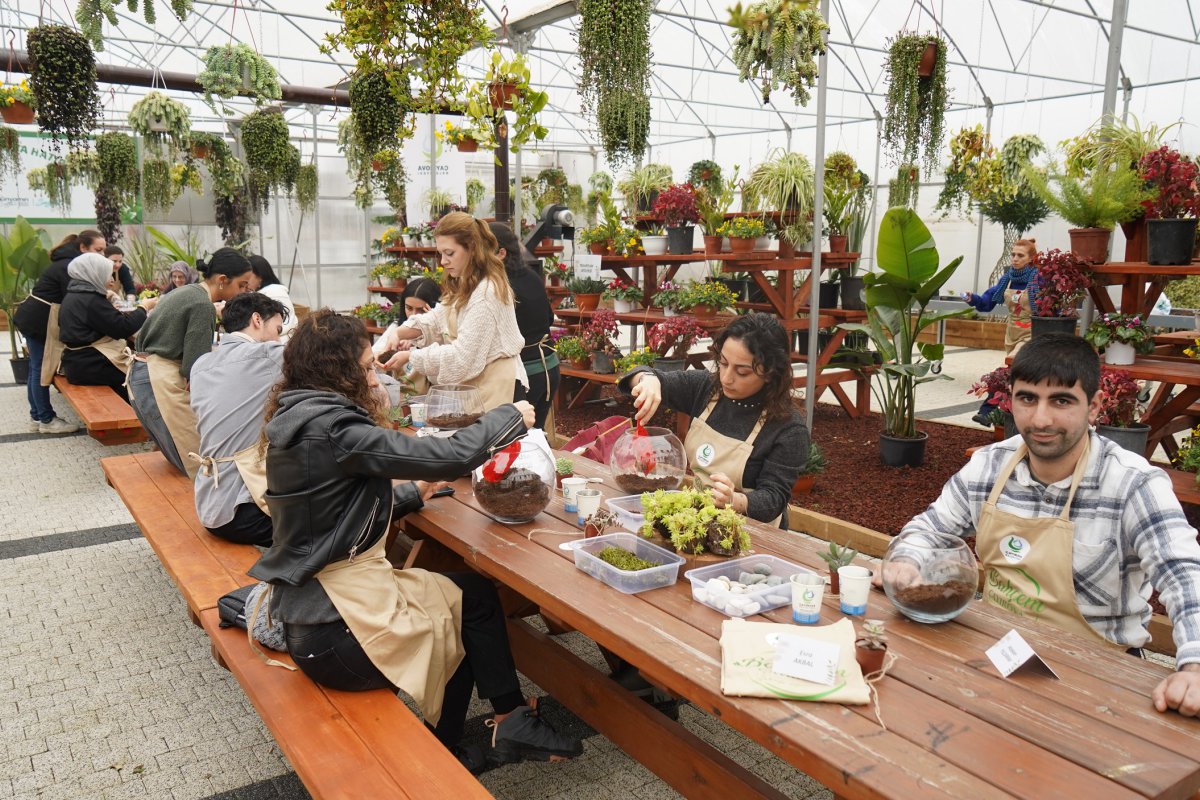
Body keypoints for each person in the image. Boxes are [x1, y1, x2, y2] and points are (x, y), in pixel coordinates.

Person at [248, 310, 582, 769]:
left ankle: (507, 721)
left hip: (319, 612)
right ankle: (447, 754)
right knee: (457, 624)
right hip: (334, 634)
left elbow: (325, 517)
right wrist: (510, 416)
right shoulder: (335, 430)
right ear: (337, 374)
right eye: (365, 367)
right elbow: (449, 455)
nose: (373, 376)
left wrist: (408, 495)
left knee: (474, 597)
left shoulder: (302, 420)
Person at [888, 333, 1200, 717]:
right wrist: (906, 561)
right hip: (998, 651)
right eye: (1028, 398)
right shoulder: (989, 466)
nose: (1040, 419)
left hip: (1100, 678)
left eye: (1062, 401)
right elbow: (929, 530)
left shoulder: (1133, 484)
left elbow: (1185, 575)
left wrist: (1194, 667)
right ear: (1011, 400)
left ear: (1095, 406)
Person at [622, 313, 809, 528]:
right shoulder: (706, 388)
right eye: (723, 363)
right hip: (698, 522)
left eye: (742, 372)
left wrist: (734, 500)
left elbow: (774, 498)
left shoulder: (789, 428)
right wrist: (648, 381)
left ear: (770, 373)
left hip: (753, 533)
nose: (727, 378)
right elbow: (636, 374)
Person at [378, 212, 526, 412]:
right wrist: (400, 332)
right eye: (440, 254)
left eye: (449, 253)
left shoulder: (485, 293)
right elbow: (438, 317)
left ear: (472, 249)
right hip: (477, 386)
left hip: (495, 387)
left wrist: (411, 357)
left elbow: (461, 359)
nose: (443, 262)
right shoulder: (466, 281)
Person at [128, 248, 254, 478]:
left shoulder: (188, 292)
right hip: (157, 380)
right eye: (242, 285)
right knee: (195, 459)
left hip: (143, 372)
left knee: (178, 453)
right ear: (222, 280)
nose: (244, 291)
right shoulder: (202, 305)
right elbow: (195, 366)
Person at [189, 293, 288, 547]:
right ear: (257, 319)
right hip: (244, 510)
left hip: (209, 501)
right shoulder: (268, 355)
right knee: (344, 519)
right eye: (277, 329)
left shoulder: (201, 364)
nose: (279, 338)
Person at [13, 229, 107, 434]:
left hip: (31, 317)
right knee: (40, 369)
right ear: (83, 248)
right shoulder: (70, 267)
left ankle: (37, 416)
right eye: (97, 250)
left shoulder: (65, 261)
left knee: (35, 368)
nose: (101, 256)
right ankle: (47, 420)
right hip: (39, 321)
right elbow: (78, 300)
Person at [58, 253, 156, 402]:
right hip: (91, 365)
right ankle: (141, 418)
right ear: (95, 275)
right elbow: (124, 328)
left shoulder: (75, 294)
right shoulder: (90, 300)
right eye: (108, 275)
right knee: (144, 375)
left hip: (77, 363)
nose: (111, 279)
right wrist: (144, 307)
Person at [490, 221, 559, 429]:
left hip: (526, 374)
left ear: (501, 253)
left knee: (519, 440)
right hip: (549, 367)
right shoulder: (531, 276)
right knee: (537, 435)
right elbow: (549, 318)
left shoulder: (500, 286)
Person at [965, 239, 1039, 426]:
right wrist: (972, 298)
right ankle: (1012, 420)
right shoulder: (1007, 279)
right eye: (1013, 254)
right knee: (1020, 378)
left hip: (1032, 334)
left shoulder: (1038, 280)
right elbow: (987, 303)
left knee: (1009, 370)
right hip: (1011, 335)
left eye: (1020, 255)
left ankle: (987, 411)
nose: (1014, 259)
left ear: (1031, 259)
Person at [248, 255, 298, 342]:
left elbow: (286, 323)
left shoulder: (276, 292)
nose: (246, 281)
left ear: (260, 276)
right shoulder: (260, 292)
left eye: (248, 276)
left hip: (280, 345)